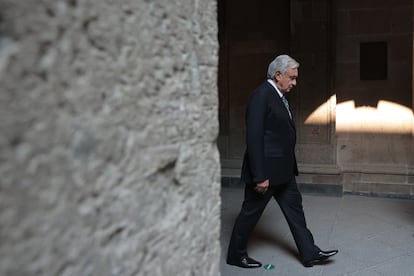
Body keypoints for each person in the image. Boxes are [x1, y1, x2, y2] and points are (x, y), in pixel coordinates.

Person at [226, 54, 338, 268]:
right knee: (250, 214)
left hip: (284, 172)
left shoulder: (277, 96)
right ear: (278, 75)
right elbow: (254, 138)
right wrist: (260, 176)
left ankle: (309, 252)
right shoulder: (261, 95)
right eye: (292, 77)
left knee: (296, 212)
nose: (294, 82)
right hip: (265, 174)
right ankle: (235, 255)